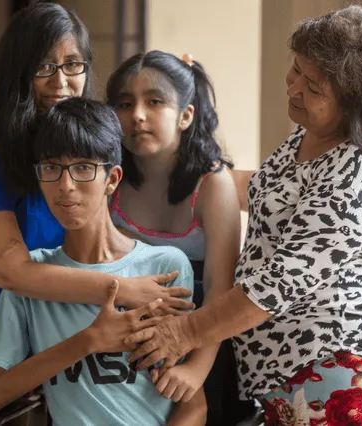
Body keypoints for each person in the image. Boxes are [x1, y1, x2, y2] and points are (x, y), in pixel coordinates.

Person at [0, 4, 192, 426]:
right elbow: (9, 270)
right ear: (17, 70)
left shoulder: (53, 137)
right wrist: (122, 289)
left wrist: (189, 94)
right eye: (44, 66)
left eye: (72, 64)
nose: (61, 82)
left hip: (12, 346)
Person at [125, 6, 362, 425]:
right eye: (296, 69)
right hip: (289, 372)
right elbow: (266, 190)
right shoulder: (316, 131)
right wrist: (176, 166)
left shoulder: (359, 176)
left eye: (313, 87)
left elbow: (272, 290)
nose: (294, 87)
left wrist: (183, 334)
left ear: (356, 106)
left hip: (340, 379)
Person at [0, 97, 206, 426]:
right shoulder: (29, 280)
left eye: (83, 167)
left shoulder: (164, 269)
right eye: (51, 167)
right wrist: (90, 340)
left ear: (112, 179)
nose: (65, 186)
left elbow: (192, 405)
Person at [105, 50, 253, 425]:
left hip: (205, 338)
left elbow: (222, 288)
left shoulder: (212, 183)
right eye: (125, 103)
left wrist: (196, 372)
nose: (137, 115)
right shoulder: (108, 179)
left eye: (154, 101)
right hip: (127, 339)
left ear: (186, 115)